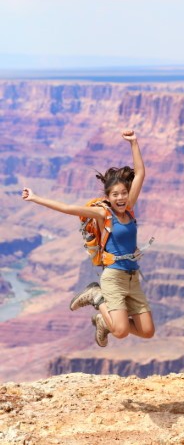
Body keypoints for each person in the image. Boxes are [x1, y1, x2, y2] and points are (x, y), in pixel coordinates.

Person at [22, 129, 155, 347]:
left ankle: (104, 319)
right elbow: (67, 208)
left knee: (147, 331)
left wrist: (133, 143)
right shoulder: (104, 214)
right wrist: (36, 198)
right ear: (108, 198)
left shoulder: (129, 209)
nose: (121, 197)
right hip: (113, 277)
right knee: (120, 332)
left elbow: (140, 173)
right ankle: (97, 296)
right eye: (115, 195)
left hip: (133, 278)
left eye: (123, 193)